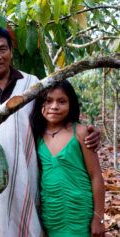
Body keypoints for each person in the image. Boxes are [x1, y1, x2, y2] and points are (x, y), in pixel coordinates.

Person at [0, 25, 101, 236]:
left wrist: (89, 132)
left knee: (26, 227)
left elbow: (55, 121)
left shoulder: (32, 84)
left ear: (11, 51)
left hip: (26, 177)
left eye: (3, 49)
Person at [30, 80, 105, 237]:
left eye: (62, 101)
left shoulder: (81, 133)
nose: (54, 106)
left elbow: (96, 176)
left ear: (71, 104)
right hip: (51, 213)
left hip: (79, 212)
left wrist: (98, 219)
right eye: (48, 101)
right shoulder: (36, 136)